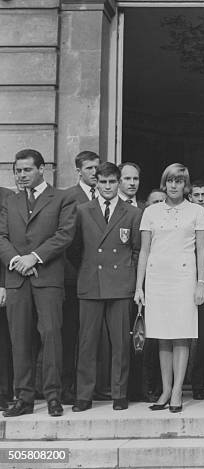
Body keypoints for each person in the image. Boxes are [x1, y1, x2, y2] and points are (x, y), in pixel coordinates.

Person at [0, 149, 77, 417]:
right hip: (17, 280)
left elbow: (64, 235)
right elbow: (1, 236)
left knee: (51, 337)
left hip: (48, 279)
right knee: (19, 339)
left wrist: (34, 258)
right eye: (18, 171)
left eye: (27, 170)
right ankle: (23, 398)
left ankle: (53, 396)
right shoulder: (10, 201)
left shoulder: (62, 198)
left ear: (42, 169)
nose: (21, 175)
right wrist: (17, 261)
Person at [134, 163, 204, 413]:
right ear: (164, 183)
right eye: (170, 181)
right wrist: (139, 287)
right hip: (157, 279)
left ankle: (177, 390)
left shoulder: (197, 211)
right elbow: (144, 250)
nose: (174, 185)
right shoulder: (151, 212)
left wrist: (201, 283)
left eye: (179, 181)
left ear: (186, 185)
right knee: (162, 336)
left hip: (184, 278)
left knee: (180, 334)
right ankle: (165, 390)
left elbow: (202, 250)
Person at [70, 162, 142, 412]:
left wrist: (129, 279)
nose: (108, 187)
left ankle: (119, 394)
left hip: (120, 285)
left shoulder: (132, 213)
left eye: (113, 182)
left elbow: (136, 250)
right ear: (96, 183)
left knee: (121, 343)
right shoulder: (82, 210)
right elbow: (74, 248)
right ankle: (84, 395)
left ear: (119, 182)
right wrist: (87, 270)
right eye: (103, 182)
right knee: (87, 343)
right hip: (90, 283)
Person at [62, 150, 100, 405]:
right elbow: (66, 240)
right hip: (72, 276)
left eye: (97, 167)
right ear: (79, 171)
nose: (95, 173)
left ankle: (91, 387)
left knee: (92, 336)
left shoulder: (108, 195)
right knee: (70, 334)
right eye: (89, 168)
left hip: (98, 279)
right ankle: (67, 388)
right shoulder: (68, 197)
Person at [188, 180, 204, 400]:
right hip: (184, 280)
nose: (200, 198)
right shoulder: (187, 216)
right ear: (190, 197)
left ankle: (199, 384)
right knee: (180, 335)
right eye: (196, 195)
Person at [0, 186, 15, 411]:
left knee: (3, 340)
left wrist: (3, 283)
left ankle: (3, 392)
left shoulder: (7, 197)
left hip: (1, 282)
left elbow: (7, 241)